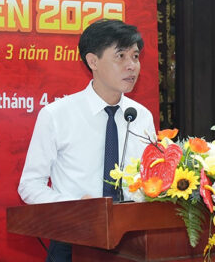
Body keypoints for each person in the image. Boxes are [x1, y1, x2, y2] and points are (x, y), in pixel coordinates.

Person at [18, 19, 156, 262]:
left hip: (132, 241)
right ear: (93, 61)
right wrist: (77, 205)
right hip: (72, 239)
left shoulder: (141, 116)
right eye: (120, 56)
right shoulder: (57, 115)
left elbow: (151, 177)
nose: (131, 66)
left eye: (135, 56)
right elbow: (30, 185)